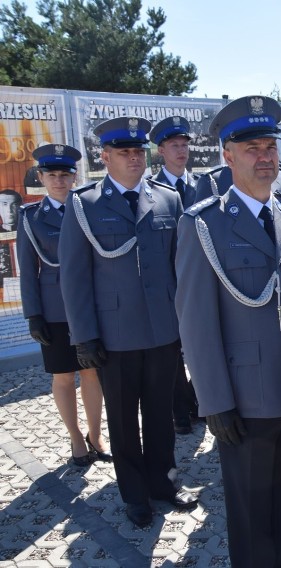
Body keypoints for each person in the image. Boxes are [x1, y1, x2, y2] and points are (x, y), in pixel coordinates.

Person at [175, 95, 281, 568]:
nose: (265, 157)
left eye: (270, 146)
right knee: (250, 515)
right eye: (251, 148)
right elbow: (196, 322)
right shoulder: (202, 224)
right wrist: (214, 401)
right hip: (245, 399)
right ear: (228, 154)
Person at [59, 116, 196, 528]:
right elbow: (75, 277)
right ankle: (134, 495)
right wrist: (83, 337)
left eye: (139, 151)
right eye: (124, 152)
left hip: (162, 333)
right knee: (122, 420)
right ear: (105, 157)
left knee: (160, 415)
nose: (135, 158)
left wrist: (187, 328)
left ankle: (164, 483)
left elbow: (182, 271)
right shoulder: (84, 205)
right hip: (115, 337)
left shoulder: (167, 200)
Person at [17, 144, 111, 467]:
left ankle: (96, 434)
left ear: (75, 176)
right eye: (52, 174)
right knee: (62, 376)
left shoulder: (88, 209)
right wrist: (34, 315)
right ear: (40, 177)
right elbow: (28, 272)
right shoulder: (31, 218)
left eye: (65, 174)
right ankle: (75, 436)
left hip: (87, 306)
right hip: (55, 310)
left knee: (92, 372)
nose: (59, 180)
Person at [150, 116, 200, 436]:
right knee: (171, 351)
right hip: (168, 283)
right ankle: (180, 411)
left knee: (202, 344)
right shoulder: (150, 190)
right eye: (174, 146)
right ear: (161, 151)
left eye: (184, 145)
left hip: (199, 280)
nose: (181, 151)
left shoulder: (203, 185)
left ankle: (201, 400)